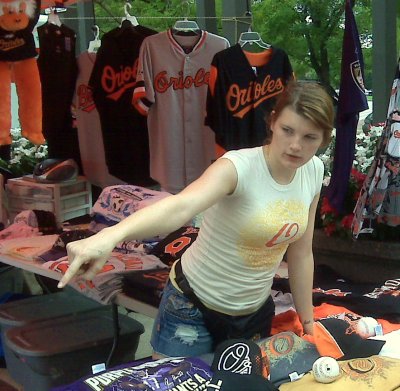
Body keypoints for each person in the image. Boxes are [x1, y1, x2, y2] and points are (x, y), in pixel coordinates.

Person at [58, 80, 334, 359]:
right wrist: (109, 236)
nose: (295, 145)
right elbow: (181, 207)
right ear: (273, 122)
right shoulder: (237, 167)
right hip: (191, 307)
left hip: (253, 314)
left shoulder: (312, 171)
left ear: (324, 139)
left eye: (310, 137)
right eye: (288, 130)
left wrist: (308, 321)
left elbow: (300, 252)